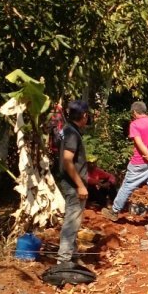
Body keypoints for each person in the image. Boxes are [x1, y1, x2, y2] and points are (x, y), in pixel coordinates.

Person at [102, 101, 148, 226]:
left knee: (127, 186)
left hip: (139, 163)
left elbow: (139, 143)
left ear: (134, 112)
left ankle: (114, 211)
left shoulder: (135, 125)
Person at [54, 100, 91, 269]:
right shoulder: (72, 134)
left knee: (74, 220)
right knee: (72, 220)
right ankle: (64, 260)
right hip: (72, 184)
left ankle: (73, 256)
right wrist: (80, 185)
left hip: (69, 182)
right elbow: (68, 160)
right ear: (84, 116)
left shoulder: (65, 130)